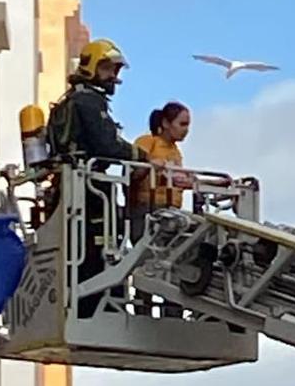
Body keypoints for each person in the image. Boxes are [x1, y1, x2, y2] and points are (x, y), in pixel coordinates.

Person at [46, 38, 149, 318]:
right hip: (88, 189)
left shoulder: (67, 102)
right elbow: (107, 145)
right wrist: (142, 157)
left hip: (70, 187)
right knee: (101, 244)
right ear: (91, 67)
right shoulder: (89, 101)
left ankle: (87, 302)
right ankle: (101, 305)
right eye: (107, 69)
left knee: (81, 244)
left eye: (116, 71)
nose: (113, 77)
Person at [128, 102, 193, 316]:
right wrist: (150, 167)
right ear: (166, 123)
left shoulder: (175, 151)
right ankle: (143, 312)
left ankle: (173, 314)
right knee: (146, 262)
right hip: (147, 209)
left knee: (173, 263)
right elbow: (132, 174)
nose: (186, 129)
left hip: (172, 212)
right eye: (182, 124)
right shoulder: (147, 142)